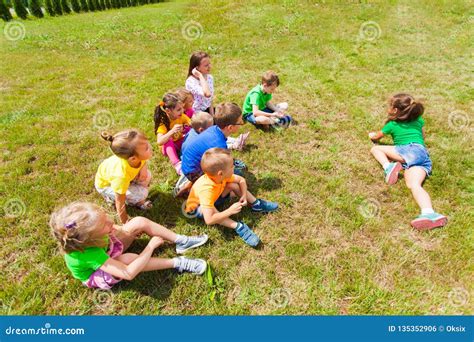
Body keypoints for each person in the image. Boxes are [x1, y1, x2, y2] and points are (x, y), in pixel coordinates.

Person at [50, 202, 208, 289]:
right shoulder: (88, 253)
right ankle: (178, 263)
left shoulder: (93, 237)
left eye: (106, 218)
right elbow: (127, 273)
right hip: (97, 273)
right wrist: (150, 247)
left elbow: (117, 228)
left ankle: (181, 241)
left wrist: (125, 230)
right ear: (91, 239)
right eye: (105, 224)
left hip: (106, 249)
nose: (111, 222)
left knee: (138, 222)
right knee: (127, 259)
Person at [369, 93, 447, 230]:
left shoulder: (392, 124)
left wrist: (372, 136)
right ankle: (429, 213)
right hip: (422, 154)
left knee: (376, 150)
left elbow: (377, 137)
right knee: (414, 185)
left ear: (395, 110)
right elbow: (423, 136)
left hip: (407, 151)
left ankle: (388, 167)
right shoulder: (419, 120)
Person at [185, 148, 278, 247]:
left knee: (233, 185)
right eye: (231, 166)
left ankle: (256, 204)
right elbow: (209, 220)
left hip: (215, 197)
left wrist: (243, 196)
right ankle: (239, 227)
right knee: (213, 211)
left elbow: (241, 180)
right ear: (220, 173)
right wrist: (230, 211)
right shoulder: (206, 190)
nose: (234, 167)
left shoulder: (221, 176)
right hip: (197, 208)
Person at [95, 129, 153, 224]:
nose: (151, 147)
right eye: (146, 148)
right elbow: (120, 201)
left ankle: (133, 191)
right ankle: (110, 197)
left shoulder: (135, 158)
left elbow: (143, 161)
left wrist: (143, 168)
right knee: (141, 194)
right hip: (106, 186)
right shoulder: (120, 175)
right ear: (133, 158)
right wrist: (125, 222)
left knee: (147, 175)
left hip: (125, 179)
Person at [154, 93, 191, 175]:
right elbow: (159, 141)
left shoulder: (181, 116)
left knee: (190, 133)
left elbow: (191, 123)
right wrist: (171, 132)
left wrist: (186, 128)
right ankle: (177, 165)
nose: (182, 111)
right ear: (168, 111)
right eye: (178, 109)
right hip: (168, 147)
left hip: (179, 141)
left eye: (182, 108)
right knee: (168, 141)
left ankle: (188, 154)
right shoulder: (163, 123)